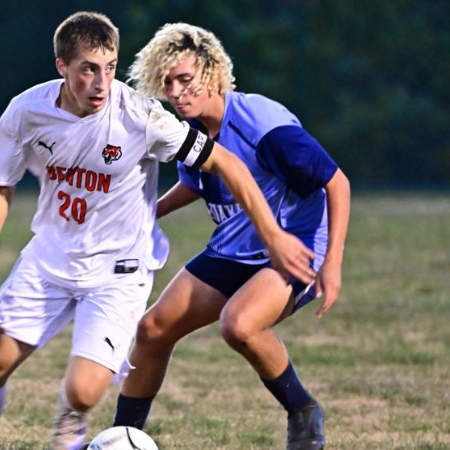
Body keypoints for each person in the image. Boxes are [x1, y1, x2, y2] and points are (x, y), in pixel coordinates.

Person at [0, 12, 317, 450]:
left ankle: (74, 426)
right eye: (88, 69)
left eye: (109, 67)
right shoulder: (25, 112)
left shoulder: (141, 117)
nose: (102, 82)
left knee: (84, 392)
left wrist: (273, 235)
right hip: (49, 258)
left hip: (117, 272)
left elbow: (227, 163)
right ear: (61, 67)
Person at [111, 23, 351, 450]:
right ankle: (124, 439)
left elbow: (337, 182)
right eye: (167, 83)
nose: (177, 92)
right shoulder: (192, 130)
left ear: (214, 73)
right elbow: (194, 183)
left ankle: (303, 411)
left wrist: (331, 263)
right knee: (151, 330)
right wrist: (147, 212)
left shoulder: (263, 123)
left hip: (292, 248)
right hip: (234, 248)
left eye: (185, 79)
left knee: (239, 325)